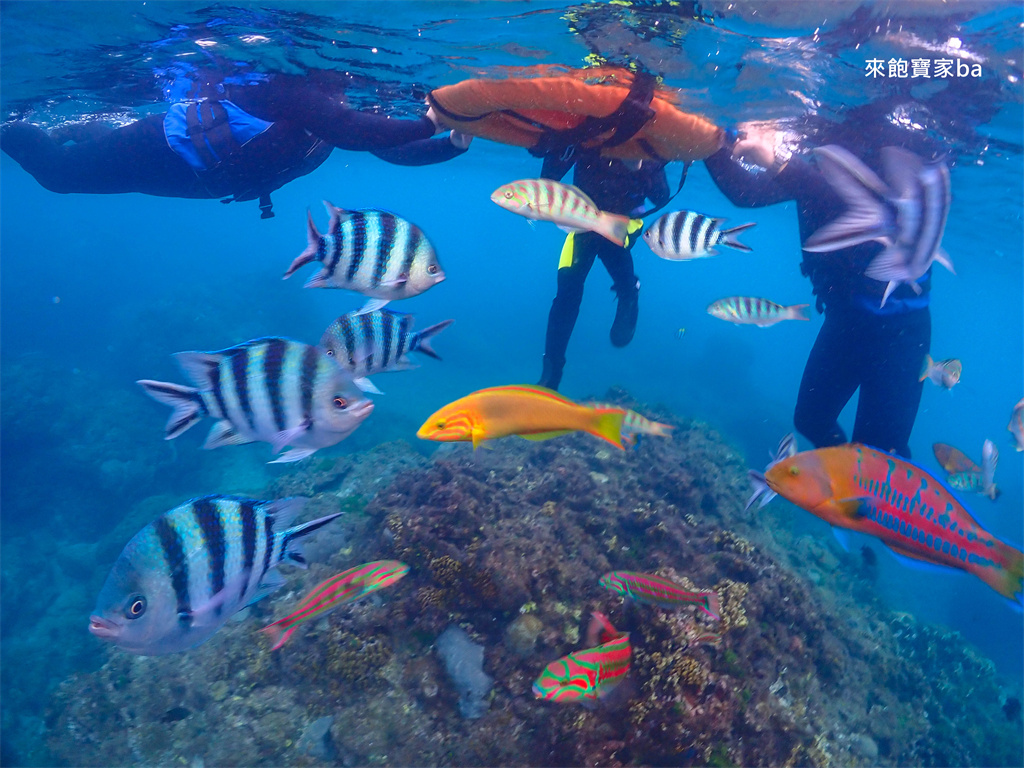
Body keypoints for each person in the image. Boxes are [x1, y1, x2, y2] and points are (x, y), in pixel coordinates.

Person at [703, 123, 937, 458]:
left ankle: (868, 500)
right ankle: (848, 492)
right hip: (846, 319)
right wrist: (703, 140)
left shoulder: (888, 155)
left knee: (880, 454)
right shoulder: (813, 164)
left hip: (897, 333)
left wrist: (778, 161)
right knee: (811, 418)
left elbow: (844, 200)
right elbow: (746, 192)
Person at [0, 69, 470, 218]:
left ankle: (87, 132)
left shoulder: (339, 107)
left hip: (201, 181)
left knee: (90, 167)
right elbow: (354, 131)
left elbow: (388, 148)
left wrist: (456, 141)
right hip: (160, 148)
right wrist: (431, 122)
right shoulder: (294, 89)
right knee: (59, 177)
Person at [537, 152, 671, 391]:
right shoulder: (589, 134)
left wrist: (639, 166)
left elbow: (661, 197)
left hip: (624, 223)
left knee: (609, 243)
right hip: (583, 222)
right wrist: (566, 145)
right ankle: (552, 371)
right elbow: (548, 178)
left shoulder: (640, 142)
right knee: (567, 289)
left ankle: (629, 292)